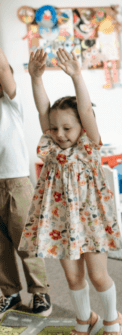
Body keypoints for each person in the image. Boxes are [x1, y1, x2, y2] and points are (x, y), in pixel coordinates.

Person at [19, 48, 122, 335]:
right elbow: (43, 111)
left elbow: (87, 111)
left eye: (68, 127)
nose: (60, 134)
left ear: (81, 127)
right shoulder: (52, 146)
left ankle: (112, 319)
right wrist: (35, 77)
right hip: (60, 222)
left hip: (90, 221)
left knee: (98, 274)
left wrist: (77, 75)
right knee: (73, 277)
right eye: (55, 128)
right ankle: (83, 318)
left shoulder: (88, 145)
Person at [0, 46, 51, 317]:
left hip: (16, 182)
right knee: (0, 247)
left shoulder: (11, 104)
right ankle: (10, 293)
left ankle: (40, 291)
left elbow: (3, 70)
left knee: (25, 240)